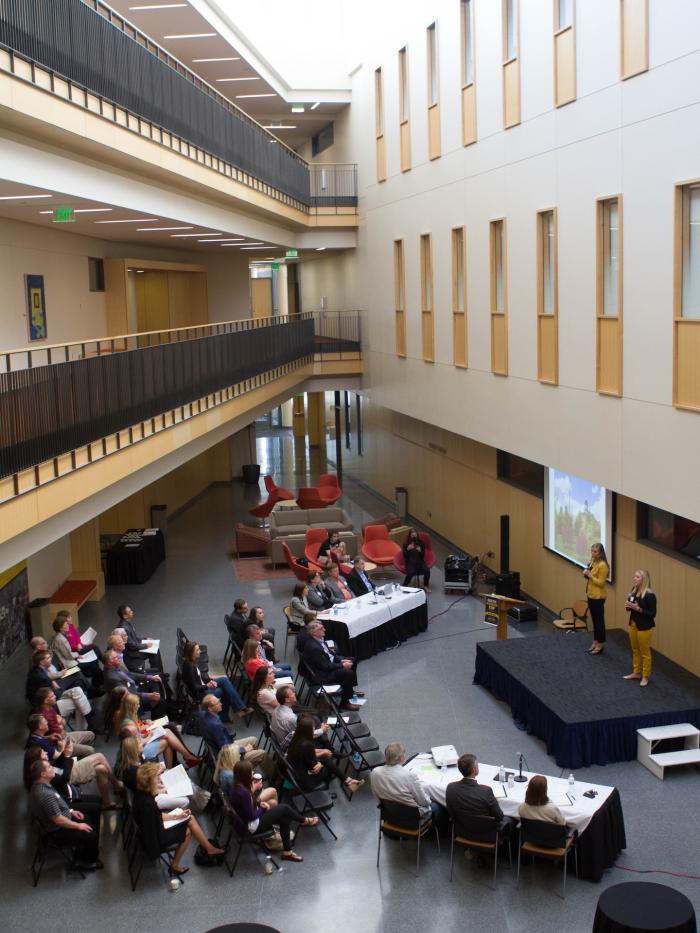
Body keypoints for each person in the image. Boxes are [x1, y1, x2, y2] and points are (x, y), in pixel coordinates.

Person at [131, 762, 224, 874]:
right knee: (188, 830)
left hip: (151, 829)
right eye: (157, 777)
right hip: (154, 838)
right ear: (150, 781)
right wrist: (175, 820)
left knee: (189, 818)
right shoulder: (148, 804)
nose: (159, 779)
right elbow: (155, 827)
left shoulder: (141, 793)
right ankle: (176, 864)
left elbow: (156, 817)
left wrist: (176, 816)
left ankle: (209, 849)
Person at [228, 758, 316, 862]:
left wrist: (259, 803)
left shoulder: (237, 787)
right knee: (284, 808)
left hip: (244, 823)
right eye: (251, 771)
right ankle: (304, 820)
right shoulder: (244, 793)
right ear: (245, 774)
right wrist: (262, 808)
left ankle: (287, 852)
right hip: (251, 827)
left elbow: (247, 807)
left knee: (285, 817)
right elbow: (250, 816)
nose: (253, 772)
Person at [28, 758, 102, 870]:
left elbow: (57, 804)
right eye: (49, 767)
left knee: (88, 819)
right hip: (57, 831)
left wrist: (70, 811)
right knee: (91, 833)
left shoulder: (39, 785)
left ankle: (85, 851)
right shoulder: (44, 794)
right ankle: (88, 862)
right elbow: (58, 820)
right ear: (43, 774)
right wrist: (78, 826)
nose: (52, 768)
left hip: (62, 818)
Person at [371, 741, 446, 830]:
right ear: (402, 757)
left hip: (389, 815)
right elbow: (424, 802)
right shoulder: (409, 775)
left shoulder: (375, 772)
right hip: (412, 818)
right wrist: (429, 799)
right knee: (438, 807)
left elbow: (377, 798)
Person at [115, 692, 201, 769]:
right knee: (168, 739)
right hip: (138, 753)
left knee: (167, 731)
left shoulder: (125, 715)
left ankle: (184, 759)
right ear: (131, 706)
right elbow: (139, 745)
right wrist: (150, 735)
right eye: (137, 704)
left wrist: (146, 725)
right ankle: (184, 759)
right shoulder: (129, 726)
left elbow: (137, 734)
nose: (139, 706)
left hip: (136, 746)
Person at [287, 715, 364, 794]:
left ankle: (348, 781)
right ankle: (343, 781)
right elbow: (314, 769)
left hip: (296, 766)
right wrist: (320, 764)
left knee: (325, 757)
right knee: (327, 765)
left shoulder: (296, 737)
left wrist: (323, 751)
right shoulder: (307, 745)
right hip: (305, 778)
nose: (314, 730)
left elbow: (307, 754)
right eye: (313, 729)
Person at [445, 754, 513, 839]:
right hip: (487, 834)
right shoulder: (486, 791)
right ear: (474, 770)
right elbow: (499, 817)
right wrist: (494, 802)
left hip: (462, 830)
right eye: (478, 765)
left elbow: (451, 813)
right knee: (510, 820)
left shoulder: (451, 788)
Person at [180, 641, 252, 719]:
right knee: (225, 691)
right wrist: (207, 686)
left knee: (224, 680)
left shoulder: (191, 661)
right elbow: (195, 687)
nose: (200, 651)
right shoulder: (189, 667)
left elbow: (199, 676)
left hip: (203, 685)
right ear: (191, 653)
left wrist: (210, 680)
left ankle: (238, 709)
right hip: (201, 694)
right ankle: (228, 714)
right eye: (197, 650)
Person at [26, 649, 94, 729]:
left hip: (49, 697)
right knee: (79, 701)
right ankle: (89, 726)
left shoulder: (37, 670)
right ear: (41, 662)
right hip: (47, 705)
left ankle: (89, 726)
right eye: (48, 658)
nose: (51, 658)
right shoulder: (42, 677)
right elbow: (55, 695)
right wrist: (58, 688)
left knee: (78, 690)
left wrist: (54, 685)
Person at [302, 621, 362, 711]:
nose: (324, 630)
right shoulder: (314, 647)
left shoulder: (319, 639)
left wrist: (341, 660)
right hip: (322, 675)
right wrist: (342, 665)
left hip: (327, 664)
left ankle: (350, 691)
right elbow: (325, 666)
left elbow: (330, 654)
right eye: (321, 629)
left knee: (352, 660)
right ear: (314, 632)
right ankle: (345, 702)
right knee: (347, 673)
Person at [119, 735, 189, 811]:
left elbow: (148, 779)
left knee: (179, 780)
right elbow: (148, 791)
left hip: (150, 788)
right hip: (150, 799)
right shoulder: (132, 772)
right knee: (185, 800)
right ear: (134, 750)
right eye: (139, 743)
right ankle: (181, 818)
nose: (142, 744)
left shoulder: (138, 758)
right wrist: (165, 789)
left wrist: (160, 780)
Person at [103, 648, 166, 716]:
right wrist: (148, 696)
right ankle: (156, 723)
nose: (119, 657)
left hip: (134, 687)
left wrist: (150, 677)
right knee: (160, 702)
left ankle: (162, 701)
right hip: (131, 700)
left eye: (117, 655)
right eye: (116, 657)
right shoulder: (113, 678)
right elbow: (127, 695)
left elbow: (130, 674)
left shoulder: (116, 665)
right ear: (110, 662)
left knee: (154, 681)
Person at [623, 569, 657, 687]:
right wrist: (628, 606)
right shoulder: (634, 590)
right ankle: (636, 672)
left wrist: (638, 609)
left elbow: (652, 614)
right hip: (633, 624)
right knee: (635, 650)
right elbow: (630, 607)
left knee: (645, 652)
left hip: (645, 627)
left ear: (643, 580)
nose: (634, 578)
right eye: (634, 576)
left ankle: (645, 676)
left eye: (637, 577)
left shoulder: (649, 595)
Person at [50, 615, 103, 687]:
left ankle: (99, 680)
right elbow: (68, 656)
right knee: (92, 661)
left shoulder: (60, 636)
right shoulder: (60, 639)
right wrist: (78, 655)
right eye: (66, 624)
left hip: (69, 659)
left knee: (93, 658)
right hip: (68, 664)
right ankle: (97, 683)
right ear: (61, 628)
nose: (68, 625)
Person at [584, 542, 609, 655]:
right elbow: (590, 577)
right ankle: (595, 641)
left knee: (599, 622)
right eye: (592, 551)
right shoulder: (594, 561)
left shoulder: (603, 565)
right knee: (594, 620)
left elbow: (601, 583)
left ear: (600, 553)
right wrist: (586, 574)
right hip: (591, 594)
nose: (593, 554)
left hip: (598, 597)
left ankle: (600, 644)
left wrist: (590, 576)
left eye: (595, 552)